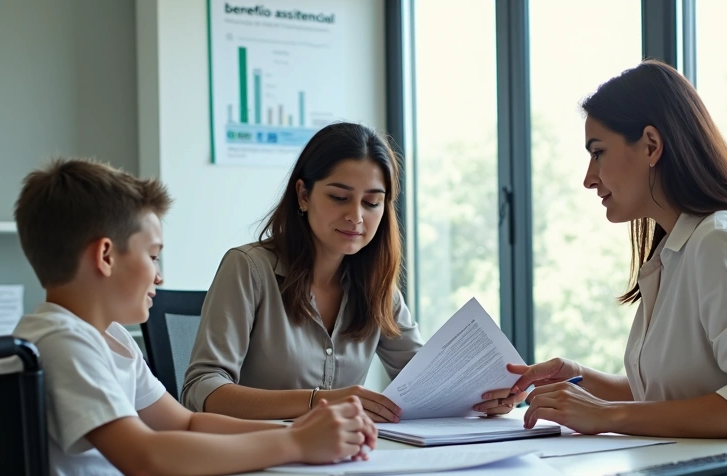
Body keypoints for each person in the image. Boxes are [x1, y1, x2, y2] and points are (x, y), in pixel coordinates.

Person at [0, 158, 378, 476]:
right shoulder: (63, 343)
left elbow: (186, 423)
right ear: (106, 256)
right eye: (153, 256)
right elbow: (145, 457)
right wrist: (294, 444)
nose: (159, 277)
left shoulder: (109, 340)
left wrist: (299, 433)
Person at [478, 61, 727, 445]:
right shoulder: (675, 249)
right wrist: (576, 378)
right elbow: (667, 398)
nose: (588, 177)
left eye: (597, 152)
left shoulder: (722, 239)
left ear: (651, 144)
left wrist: (604, 415)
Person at [184, 123, 508, 422]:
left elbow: (424, 380)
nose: (355, 216)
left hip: (342, 456)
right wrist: (318, 401)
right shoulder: (248, 268)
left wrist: (485, 397)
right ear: (303, 194)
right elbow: (202, 390)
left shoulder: (376, 286)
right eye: (339, 197)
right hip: (257, 457)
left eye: (371, 203)